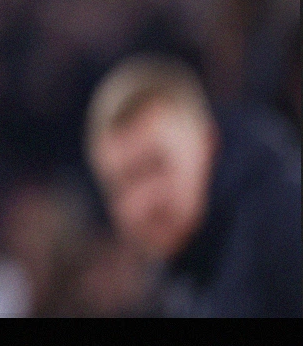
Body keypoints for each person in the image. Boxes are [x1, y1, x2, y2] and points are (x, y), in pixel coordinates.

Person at [85, 54, 302, 317]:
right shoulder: (180, 275)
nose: (144, 202)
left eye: (156, 166)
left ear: (207, 143)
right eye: (122, 185)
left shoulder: (284, 222)